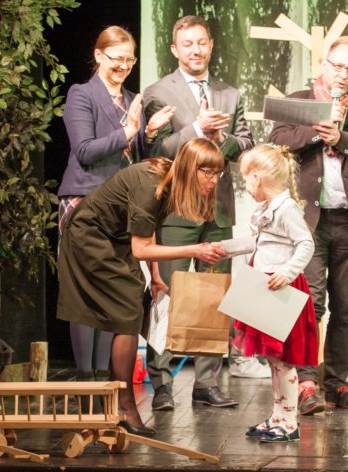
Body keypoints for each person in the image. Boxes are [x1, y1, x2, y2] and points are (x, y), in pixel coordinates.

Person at [57, 138, 228, 436]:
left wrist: (156, 275)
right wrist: (195, 250)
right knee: (128, 310)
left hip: (116, 239)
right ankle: (125, 405)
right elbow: (140, 248)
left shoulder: (169, 182)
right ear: (190, 167)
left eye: (217, 173)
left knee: (137, 301)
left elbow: (149, 232)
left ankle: (117, 403)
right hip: (90, 236)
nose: (213, 180)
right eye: (208, 172)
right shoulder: (151, 184)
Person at [142, 15, 256, 411]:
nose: (196, 50)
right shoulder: (159, 92)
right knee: (167, 294)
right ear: (175, 49)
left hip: (218, 208)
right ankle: (161, 383)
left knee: (214, 295)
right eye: (187, 44)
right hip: (178, 207)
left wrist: (221, 140)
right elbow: (157, 150)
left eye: (201, 42)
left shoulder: (230, 93)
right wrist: (195, 129)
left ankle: (206, 383)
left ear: (211, 45)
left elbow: (246, 144)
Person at [268, 40, 348, 414]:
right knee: (310, 303)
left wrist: (342, 139)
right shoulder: (299, 101)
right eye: (337, 66)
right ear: (323, 65)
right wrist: (320, 132)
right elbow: (277, 141)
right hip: (308, 221)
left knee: (346, 307)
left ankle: (337, 383)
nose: (342, 74)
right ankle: (306, 383)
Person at [58, 26, 173, 386]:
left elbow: (140, 159)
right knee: (84, 290)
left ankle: (107, 382)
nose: (123, 66)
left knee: (114, 289)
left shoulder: (132, 99)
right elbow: (85, 150)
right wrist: (128, 131)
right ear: (98, 55)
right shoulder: (81, 95)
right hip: (85, 201)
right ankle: (86, 378)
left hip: (121, 205)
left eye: (129, 60)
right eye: (116, 59)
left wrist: (148, 135)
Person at [226, 144, 318, 442]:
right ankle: (278, 415)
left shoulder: (286, 209)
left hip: (282, 288)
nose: (245, 185)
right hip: (265, 285)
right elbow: (257, 243)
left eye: (245, 179)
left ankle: (289, 421)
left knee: (284, 361)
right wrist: (222, 249)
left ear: (257, 177)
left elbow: (305, 243)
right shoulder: (267, 209)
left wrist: (288, 272)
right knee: (274, 361)